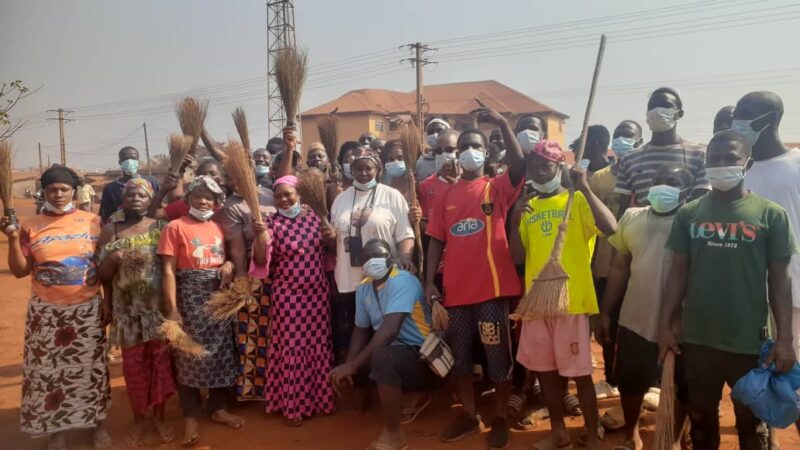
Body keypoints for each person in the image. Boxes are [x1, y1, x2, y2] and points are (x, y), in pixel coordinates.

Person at [657, 130, 797, 450]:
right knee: (702, 423)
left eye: (730, 159)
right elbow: (677, 272)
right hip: (697, 340)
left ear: (746, 163)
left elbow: (780, 279)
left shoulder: (770, 215)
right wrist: (665, 325)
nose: (721, 165)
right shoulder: (689, 213)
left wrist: (786, 339)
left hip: (748, 342)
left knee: (752, 426)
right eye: (714, 159)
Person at [425, 106, 525, 449]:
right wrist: (429, 284)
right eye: (463, 145)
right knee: (461, 361)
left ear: (486, 151)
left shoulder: (497, 188)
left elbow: (522, 165)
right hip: (456, 295)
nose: (468, 150)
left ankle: (498, 417)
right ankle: (469, 415)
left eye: (475, 144)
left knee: (498, 361)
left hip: (492, 294)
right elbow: (435, 240)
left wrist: (501, 123)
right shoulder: (445, 195)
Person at [510, 140, 617, 450]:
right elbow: (518, 257)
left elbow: (610, 228)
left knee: (579, 373)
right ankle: (558, 431)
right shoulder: (527, 207)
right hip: (537, 303)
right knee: (545, 372)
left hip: (571, 301)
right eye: (534, 166)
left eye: (547, 165)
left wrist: (584, 185)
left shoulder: (577, 200)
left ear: (559, 168)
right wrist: (515, 218)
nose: (540, 172)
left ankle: (592, 433)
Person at [2, 165, 112, 450]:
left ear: (73, 191)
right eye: (53, 189)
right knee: (49, 373)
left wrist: (108, 302)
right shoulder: (31, 225)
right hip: (47, 314)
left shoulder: (93, 222)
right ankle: (56, 432)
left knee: (92, 369)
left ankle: (97, 424)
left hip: (87, 309)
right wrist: (13, 239)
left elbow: (104, 266)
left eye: (64, 189)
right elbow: (19, 271)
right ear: (44, 192)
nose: (59, 194)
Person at [597, 164, 693, 450]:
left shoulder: (694, 222)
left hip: (683, 323)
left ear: (686, 191)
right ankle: (632, 436)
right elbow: (618, 267)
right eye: (658, 179)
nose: (663, 186)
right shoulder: (632, 217)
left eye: (672, 181)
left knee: (683, 385)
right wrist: (605, 312)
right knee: (631, 380)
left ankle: (673, 439)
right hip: (635, 317)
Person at [157, 175, 242, 446]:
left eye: (209, 196)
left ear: (216, 201)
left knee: (220, 352)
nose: (203, 200)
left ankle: (218, 408)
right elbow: (168, 270)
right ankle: (190, 415)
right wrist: (172, 310)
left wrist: (227, 265)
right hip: (188, 296)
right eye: (198, 195)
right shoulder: (175, 227)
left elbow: (225, 258)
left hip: (218, 296)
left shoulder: (218, 227)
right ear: (188, 199)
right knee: (188, 355)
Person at [330, 238, 437, 450]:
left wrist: (353, 365)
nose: (372, 261)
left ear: (390, 259)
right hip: (397, 355)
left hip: (424, 357)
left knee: (380, 356)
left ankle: (395, 435)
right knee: (360, 356)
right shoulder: (364, 287)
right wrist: (350, 365)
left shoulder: (403, 280)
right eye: (367, 257)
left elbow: (389, 330)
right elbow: (360, 330)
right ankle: (401, 397)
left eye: (378, 256)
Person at [248, 175, 336, 426]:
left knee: (318, 344)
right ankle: (293, 405)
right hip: (288, 295)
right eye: (279, 196)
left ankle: (321, 401)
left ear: (299, 194)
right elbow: (262, 261)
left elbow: (331, 250)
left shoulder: (315, 217)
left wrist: (331, 235)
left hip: (318, 295)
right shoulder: (271, 223)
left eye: (289, 194)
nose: (284, 200)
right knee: (293, 348)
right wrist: (260, 236)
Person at [736, 91, 800, 434]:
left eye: (744, 114)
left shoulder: (797, 165)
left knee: (795, 383)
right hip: (748, 299)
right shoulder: (738, 172)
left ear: (770, 119)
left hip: (794, 298)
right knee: (759, 385)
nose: (737, 120)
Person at [97, 178, 175, 446]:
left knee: (161, 367)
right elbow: (102, 275)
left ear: (150, 197)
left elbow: (170, 270)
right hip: (127, 313)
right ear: (123, 199)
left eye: (142, 194)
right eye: (130, 194)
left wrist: (173, 308)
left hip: (157, 311)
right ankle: (140, 420)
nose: (136, 198)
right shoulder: (112, 230)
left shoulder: (161, 228)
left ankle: (160, 418)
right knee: (134, 370)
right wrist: (112, 261)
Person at [330, 149, 416, 365]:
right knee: (354, 333)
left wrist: (406, 257)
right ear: (350, 170)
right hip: (350, 281)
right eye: (357, 168)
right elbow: (335, 240)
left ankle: (383, 384)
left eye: (368, 168)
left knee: (383, 336)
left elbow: (405, 234)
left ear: (377, 169)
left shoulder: (392, 196)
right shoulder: (340, 199)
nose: (363, 173)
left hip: (383, 280)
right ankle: (358, 382)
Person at [588, 120, 643, 401]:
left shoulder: (646, 175)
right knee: (606, 323)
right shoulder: (599, 178)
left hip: (638, 268)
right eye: (619, 135)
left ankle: (641, 384)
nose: (623, 140)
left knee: (635, 328)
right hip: (605, 264)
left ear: (640, 140)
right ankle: (610, 378)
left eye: (629, 136)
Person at [615, 87, 710, 216]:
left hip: (685, 231)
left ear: (679, 114)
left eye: (665, 105)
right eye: (652, 106)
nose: (657, 110)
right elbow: (623, 210)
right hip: (644, 232)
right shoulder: (630, 159)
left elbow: (701, 205)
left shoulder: (699, 154)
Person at [148, 159, 228, 221]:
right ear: (196, 178)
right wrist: (163, 190)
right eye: (203, 174)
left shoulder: (227, 209)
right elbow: (152, 214)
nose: (207, 177)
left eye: (212, 174)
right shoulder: (185, 204)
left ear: (222, 180)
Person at [99, 146, 160, 222]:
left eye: (133, 158)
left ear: (138, 161)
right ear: (120, 162)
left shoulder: (151, 182)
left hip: (149, 227)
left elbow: (159, 207)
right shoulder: (110, 189)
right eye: (125, 159)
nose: (129, 161)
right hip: (122, 230)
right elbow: (106, 216)